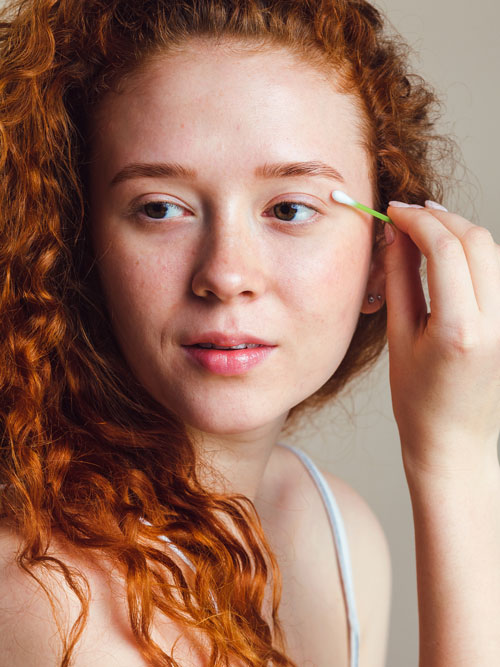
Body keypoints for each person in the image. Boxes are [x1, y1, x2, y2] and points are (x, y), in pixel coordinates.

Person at [0, 0, 499, 665]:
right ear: (80, 241)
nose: (227, 274)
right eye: (159, 208)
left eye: (290, 208)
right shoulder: (50, 597)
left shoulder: (335, 530)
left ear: (386, 254)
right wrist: (453, 461)